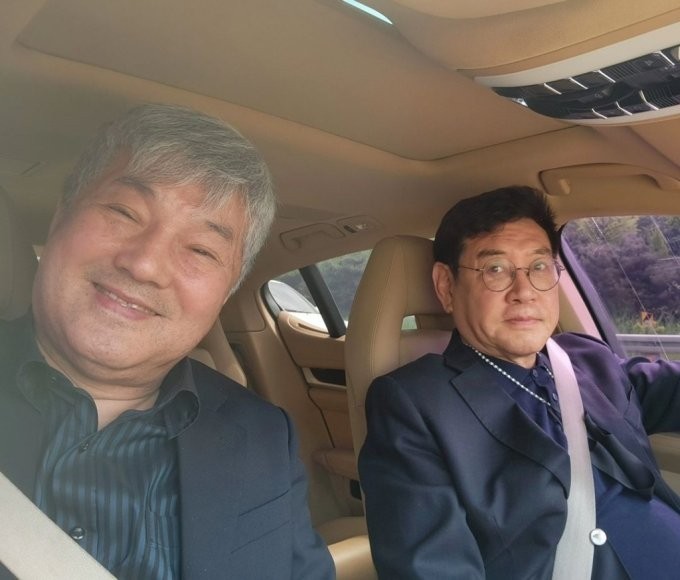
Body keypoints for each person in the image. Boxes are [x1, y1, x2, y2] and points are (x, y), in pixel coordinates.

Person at [0, 104, 334, 579]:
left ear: (226, 292)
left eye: (201, 249)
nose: (145, 265)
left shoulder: (262, 435)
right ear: (60, 219)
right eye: (123, 212)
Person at [359, 186, 680, 579]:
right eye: (495, 269)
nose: (525, 292)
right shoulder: (414, 403)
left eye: (539, 266)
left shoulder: (586, 357)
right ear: (446, 286)